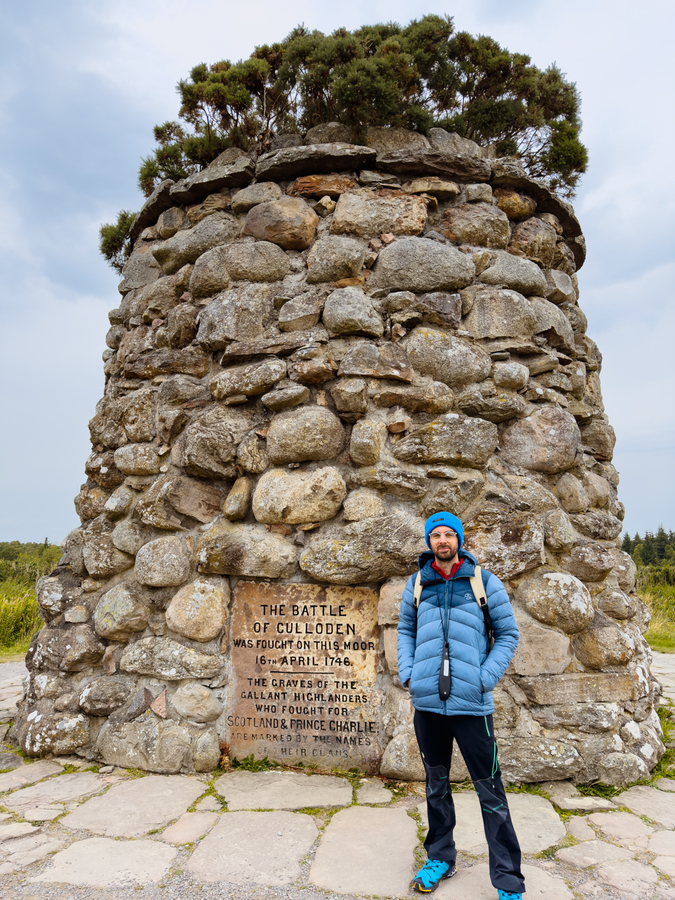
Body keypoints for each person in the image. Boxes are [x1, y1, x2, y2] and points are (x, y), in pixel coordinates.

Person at [397, 511, 525, 899]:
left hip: (473, 707)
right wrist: (409, 673)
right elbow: (405, 629)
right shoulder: (418, 583)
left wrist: (484, 679)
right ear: (428, 542)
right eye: (435, 535)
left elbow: (508, 634)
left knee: (491, 792)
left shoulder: (483, 582)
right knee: (436, 785)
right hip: (429, 706)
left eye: (449, 534)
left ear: (460, 541)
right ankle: (441, 857)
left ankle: (508, 881)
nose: (442, 540)